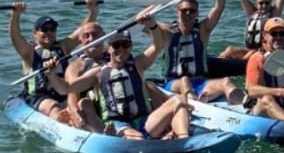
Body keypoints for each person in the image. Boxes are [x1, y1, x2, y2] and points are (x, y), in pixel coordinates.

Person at [48, 15, 191, 139]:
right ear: (109, 48)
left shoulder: (137, 64)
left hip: (143, 120)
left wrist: (152, 24)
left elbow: (157, 45)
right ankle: (108, 135)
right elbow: (65, 89)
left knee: (178, 100)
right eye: (117, 46)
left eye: (125, 45)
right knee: (138, 137)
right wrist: (51, 73)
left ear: (130, 47)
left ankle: (184, 142)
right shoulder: (96, 72)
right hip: (118, 123)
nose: (121, 49)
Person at [156, 0, 244, 104]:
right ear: (176, 12)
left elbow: (219, 7)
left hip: (200, 83)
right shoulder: (167, 33)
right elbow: (146, 25)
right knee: (184, 81)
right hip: (174, 85)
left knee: (226, 82)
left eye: (192, 11)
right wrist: (145, 16)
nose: (188, 14)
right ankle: (195, 105)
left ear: (197, 13)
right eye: (184, 11)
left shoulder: (203, 31)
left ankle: (243, 107)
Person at [8, 0, 100, 120]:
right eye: (44, 30)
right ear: (35, 33)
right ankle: (61, 120)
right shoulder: (28, 51)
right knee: (52, 106)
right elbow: (15, 36)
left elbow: (82, 31)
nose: (49, 32)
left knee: (87, 100)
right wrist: (16, 15)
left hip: (64, 92)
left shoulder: (63, 46)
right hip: (39, 96)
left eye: (52, 29)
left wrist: (93, 11)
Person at [63, 21, 108, 131]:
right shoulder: (75, 66)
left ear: (104, 36)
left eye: (95, 34)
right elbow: (72, 95)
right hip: (93, 108)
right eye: (86, 36)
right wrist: (76, 114)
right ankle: (102, 131)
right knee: (85, 103)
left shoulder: (114, 56)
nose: (91, 39)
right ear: (81, 40)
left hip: (116, 102)